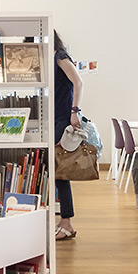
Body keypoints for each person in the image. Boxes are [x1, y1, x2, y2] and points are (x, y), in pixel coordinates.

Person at [54, 32, 84, 240]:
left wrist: (75, 111)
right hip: (54, 118)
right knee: (57, 170)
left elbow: (78, 82)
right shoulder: (51, 59)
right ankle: (64, 220)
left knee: (60, 171)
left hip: (63, 118)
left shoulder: (60, 56)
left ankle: (67, 222)